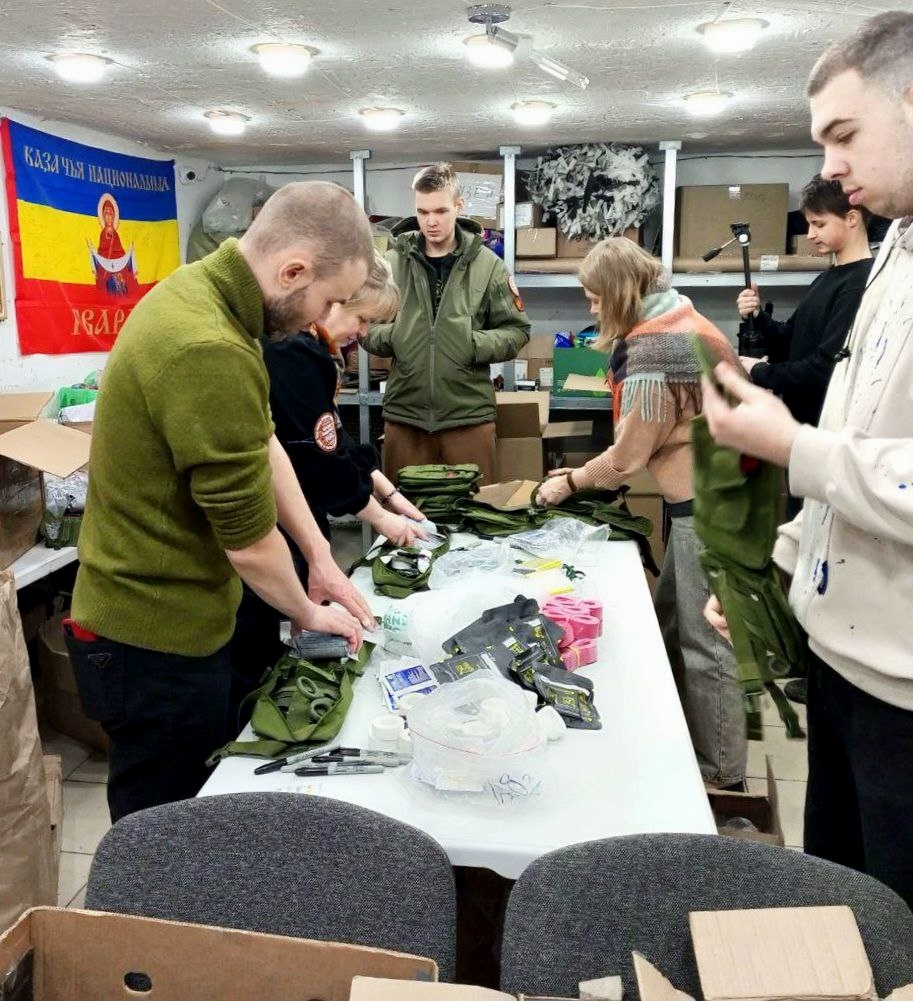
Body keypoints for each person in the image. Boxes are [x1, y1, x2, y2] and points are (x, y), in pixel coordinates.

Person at [66, 180, 378, 821]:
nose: (324, 319)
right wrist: (304, 611)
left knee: (199, 812)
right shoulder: (207, 345)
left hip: (178, 619)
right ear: (292, 271)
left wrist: (320, 557)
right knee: (166, 829)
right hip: (152, 637)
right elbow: (250, 543)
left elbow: (263, 443)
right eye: (329, 299)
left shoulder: (209, 300)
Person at [702, 10, 913, 907]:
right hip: (841, 657)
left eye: (844, 134)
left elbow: (837, 448)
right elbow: (857, 420)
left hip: (901, 687)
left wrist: (790, 447)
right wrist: (781, 565)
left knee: (894, 919)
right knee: (841, 899)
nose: (828, 165)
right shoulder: (896, 249)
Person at [535, 237, 747, 789]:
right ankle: (679, 736)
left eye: (594, 297)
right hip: (730, 493)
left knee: (708, 643)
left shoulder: (653, 355)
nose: (591, 308)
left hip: (713, 508)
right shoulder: (685, 317)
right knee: (673, 618)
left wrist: (570, 483)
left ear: (620, 292)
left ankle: (721, 776)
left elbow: (627, 457)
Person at [230, 252, 427, 720]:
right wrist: (380, 517)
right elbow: (320, 461)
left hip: (299, 514)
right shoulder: (292, 353)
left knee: (285, 625)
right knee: (256, 639)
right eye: (362, 319)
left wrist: (388, 494)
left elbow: (335, 439)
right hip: (275, 521)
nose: (363, 333)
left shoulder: (314, 351)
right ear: (334, 300)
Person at [363, 162, 530, 485]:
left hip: (468, 418)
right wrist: (397, 336)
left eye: (440, 210)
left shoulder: (489, 266)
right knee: (405, 511)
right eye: (423, 212)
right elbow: (364, 325)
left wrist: (470, 343)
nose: (431, 221)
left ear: (459, 205)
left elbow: (517, 331)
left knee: (474, 509)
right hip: (405, 417)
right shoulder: (393, 264)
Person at [737, 175, 872, 434]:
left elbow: (826, 369)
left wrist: (762, 371)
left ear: (852, 218)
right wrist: (758, 316)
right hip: (802, 425)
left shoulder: (860, 283)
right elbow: (792, 340)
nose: (810, 235)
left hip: (827, 430)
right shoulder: (827, 277)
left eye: (819, 224)